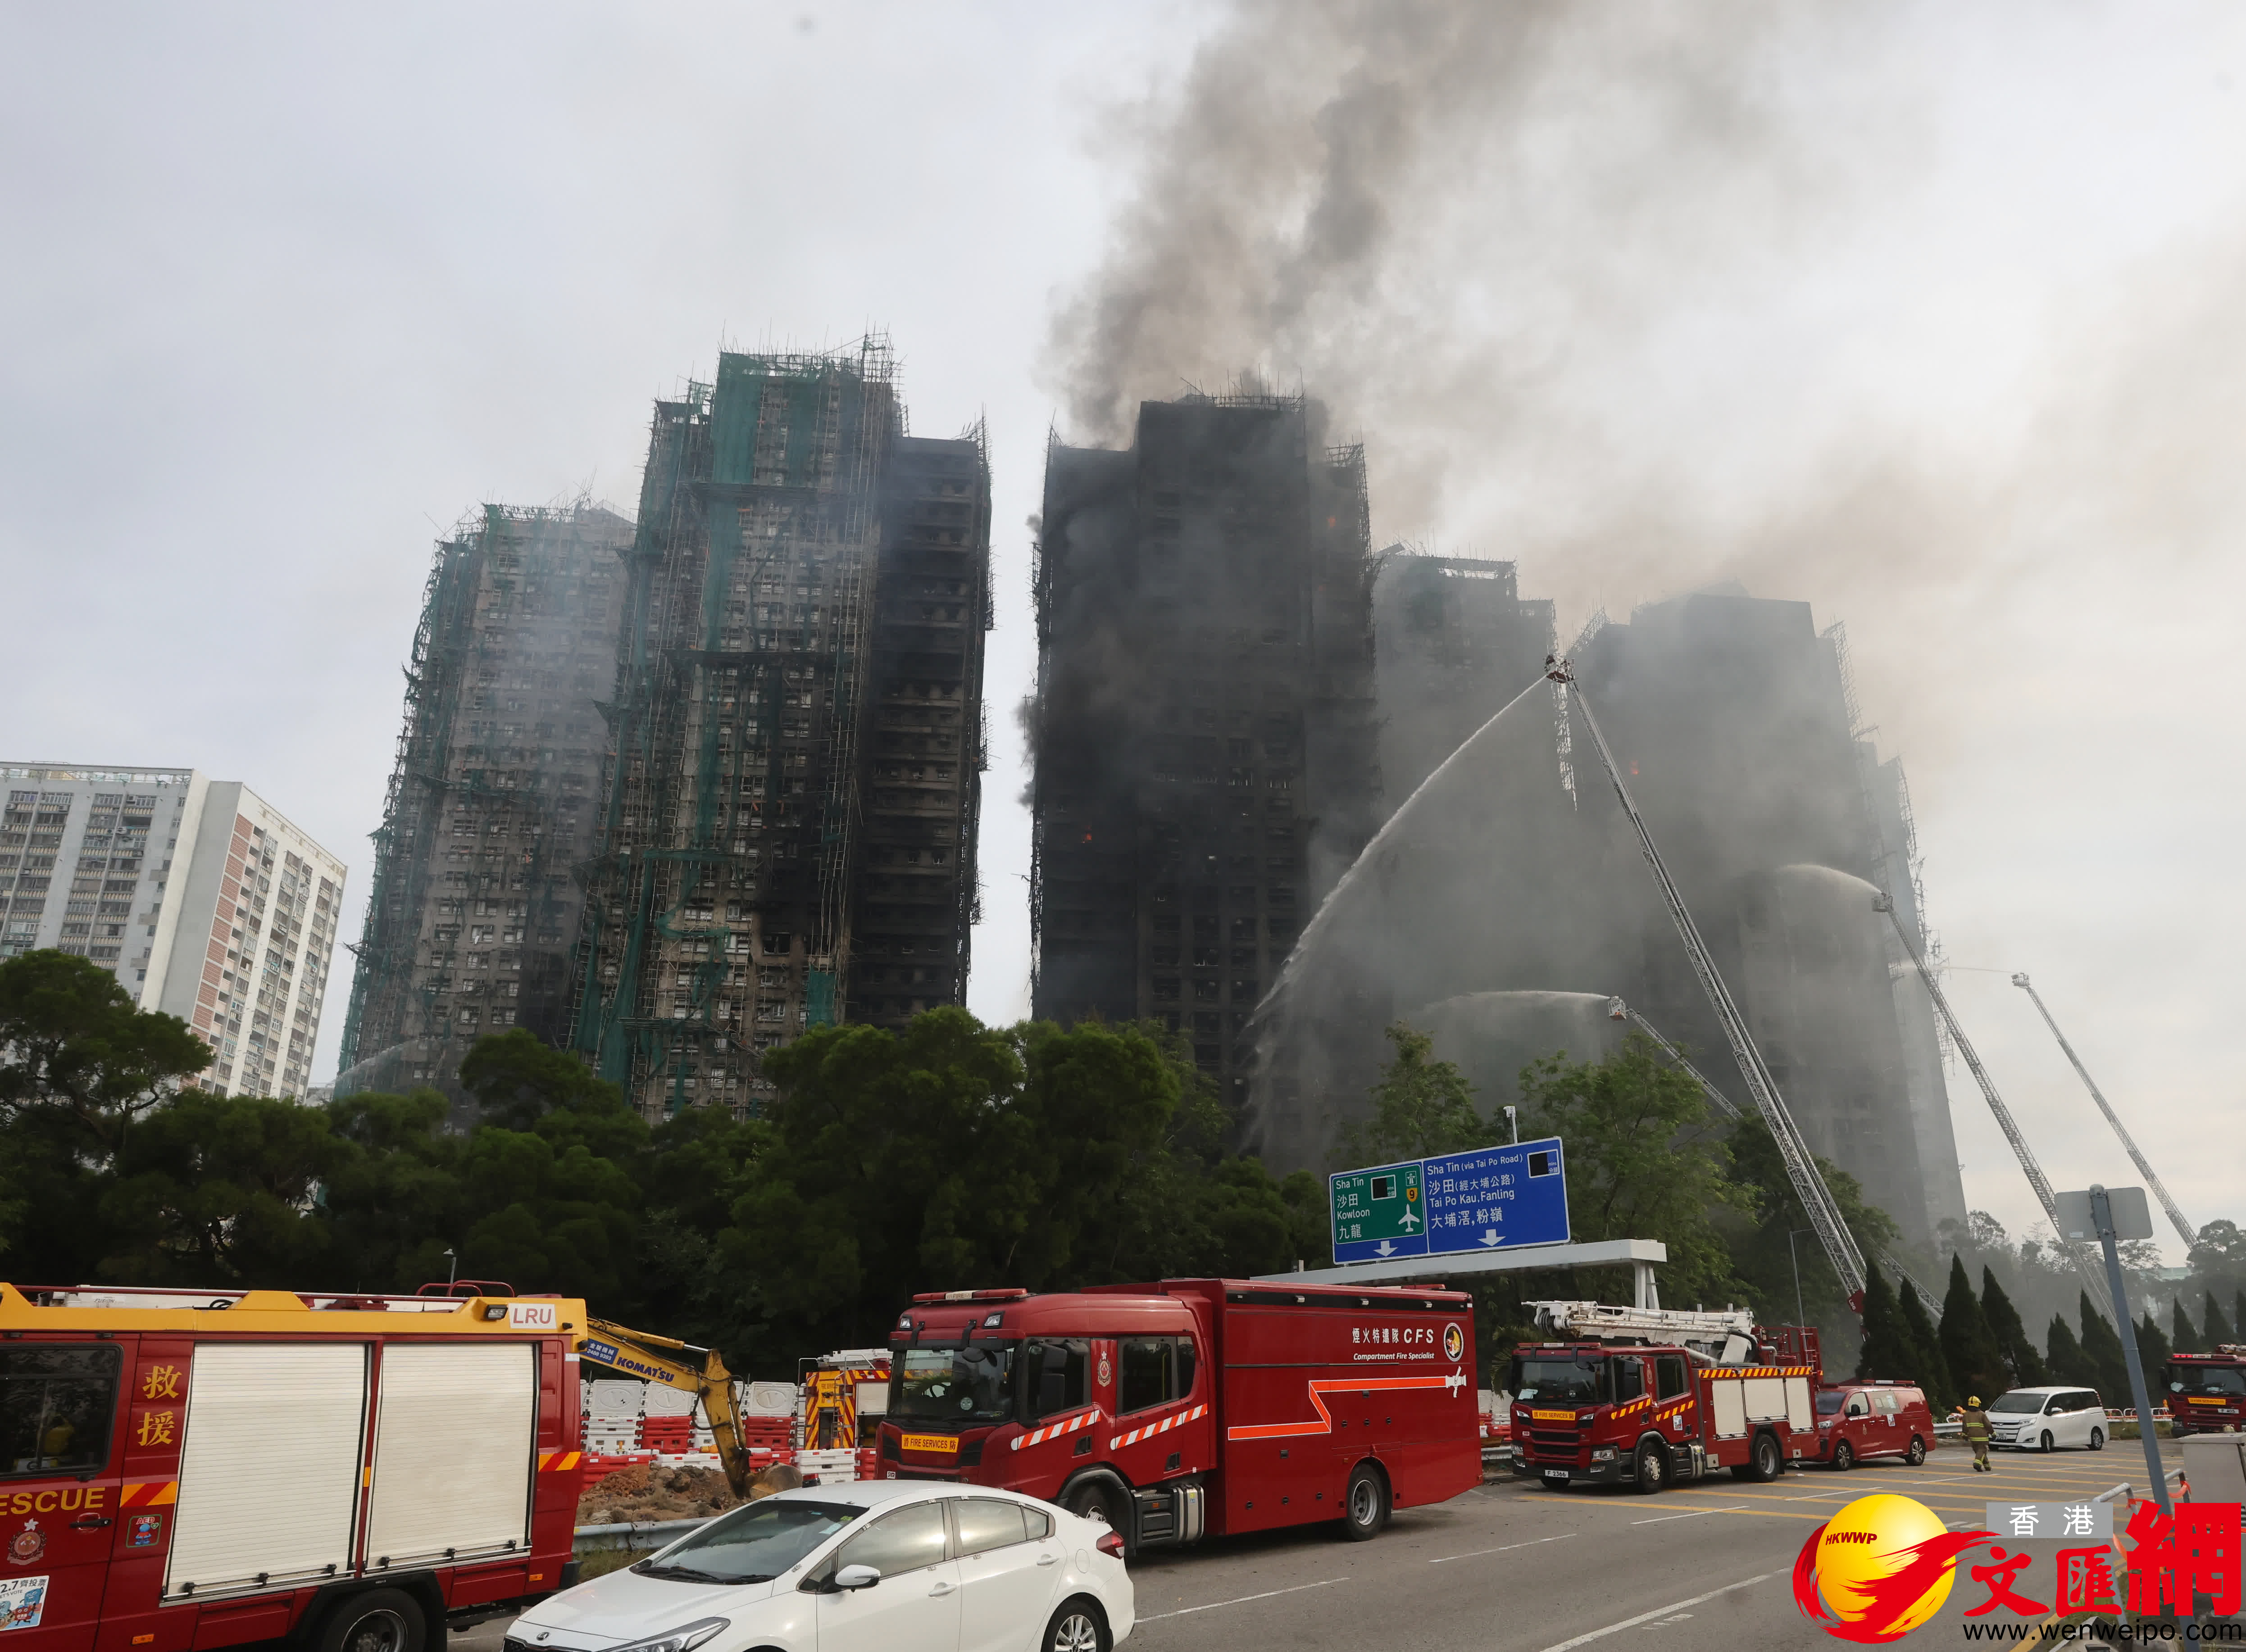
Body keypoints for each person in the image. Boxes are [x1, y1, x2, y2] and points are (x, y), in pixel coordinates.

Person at [1961, 1396, 1992, 1472]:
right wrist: (1993, 1433)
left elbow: (1965, 1426)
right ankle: (1977, 1464)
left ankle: (1987, 1466)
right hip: (1983, 1438)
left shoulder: (1966, 1415)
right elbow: (1988, 1425)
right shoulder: (1982, 1414)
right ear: (1978, 1404)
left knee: (1980, 1452)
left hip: (1973, 1438)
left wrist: (1965, 1435)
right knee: (1983, 1449)